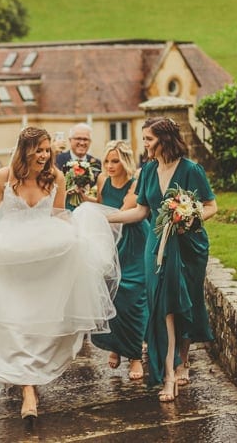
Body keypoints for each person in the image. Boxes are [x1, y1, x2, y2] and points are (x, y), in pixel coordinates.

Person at [0, 126, 120, 424]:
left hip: (43, 261)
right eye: (39, 150)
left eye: (47, 149)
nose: (44, 155)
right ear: (25, 150)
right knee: (16, 324)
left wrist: (74, 238)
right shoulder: (4, 176)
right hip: (9, 258)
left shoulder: (56, 177)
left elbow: (60, 214)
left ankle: (29, 386)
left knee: (39, 327)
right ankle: (27, 389)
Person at [106, 117, 217, 402]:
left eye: (148, 139)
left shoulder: (192, 170)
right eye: (143, 139)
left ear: (164, 139)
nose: (144, 145)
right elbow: (142, 211)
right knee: (161, 308)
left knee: (185, 303)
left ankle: (183, 358)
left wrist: (189, 219)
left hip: (188, 246)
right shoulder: (147, 171)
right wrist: (108, 217)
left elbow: (211, 206)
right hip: (156, 248)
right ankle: (169, 374)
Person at [90, 140, 151, 381]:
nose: (110, 165)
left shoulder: (135, 182)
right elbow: (100, 205)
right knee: (111, 292)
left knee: (134, 295)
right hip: (110, 240)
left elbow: (126, 210)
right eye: (106, 161)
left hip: (134, 239)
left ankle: (135, 356)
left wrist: (98, 218)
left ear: (124, 160)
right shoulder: (102, 180)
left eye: (115, 160)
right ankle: (116, 346)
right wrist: (84, 200)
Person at [53, 123, 102, 210]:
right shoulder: (57, 160)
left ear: (90, 142)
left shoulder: (97, 164)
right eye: (78, 138)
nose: (82, 143)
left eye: (85, 139)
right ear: (70, 140)